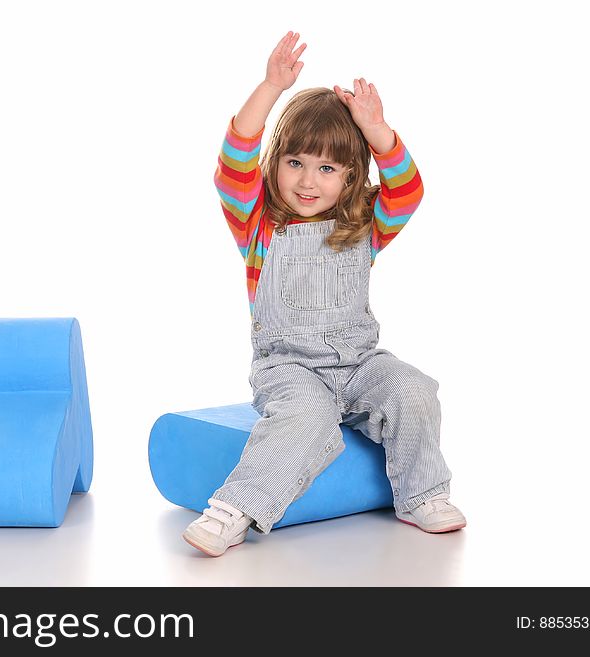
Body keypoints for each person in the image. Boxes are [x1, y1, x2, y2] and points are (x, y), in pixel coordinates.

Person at [183, 31, 466, 557]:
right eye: (295, 163)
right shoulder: (257, 223)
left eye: (327, 168)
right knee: (305, 419)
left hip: (359, 362)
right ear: (275, 165)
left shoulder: (366, 224)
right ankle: (232, 508)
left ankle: (422, 495)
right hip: (289, 369)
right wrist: (271, 87)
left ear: (351, 175)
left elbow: (408, 190)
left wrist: (376, 129)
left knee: (412, 388)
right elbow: (233, 160)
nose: (308, 181)